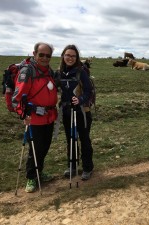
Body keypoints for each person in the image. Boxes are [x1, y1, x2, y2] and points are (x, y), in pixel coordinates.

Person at [12, 42, 58, 193]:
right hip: (34, 118)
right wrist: (23, 114)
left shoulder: (49, 71)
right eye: (41, 55)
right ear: (34, 54)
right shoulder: (28, 71)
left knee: (44, 147)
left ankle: (40, 171)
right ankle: (31, 177)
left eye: (48, 55)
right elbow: (17, 97)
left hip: (49, 117)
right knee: (35, 149)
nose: (45, 58)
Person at [56, 44, 94, 180]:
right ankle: (72, 166)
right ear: (63, 56)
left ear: (76, 57)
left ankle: (88, 168)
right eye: (68, 55)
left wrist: (80, 99)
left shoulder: (81, 72)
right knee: (70, 139)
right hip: (66, 111)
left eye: (73, 56)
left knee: (84, 140)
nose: (70, 58)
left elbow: (89, 90)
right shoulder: (59, 72)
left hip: (82, 111)